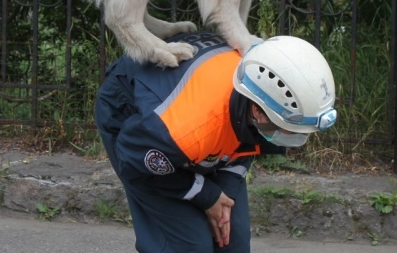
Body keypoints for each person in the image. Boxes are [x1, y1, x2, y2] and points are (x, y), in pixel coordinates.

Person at [94, 31, 337, 253]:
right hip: (139, 125)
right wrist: (206, 195)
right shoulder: (181, 131)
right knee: (190, 245)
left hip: (200, 128)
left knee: (233, 242)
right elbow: (135, 162)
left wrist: (224, 197)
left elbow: (247, 143)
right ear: (258, 111)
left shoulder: (263, 88)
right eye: (286, 129)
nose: (290, 136)